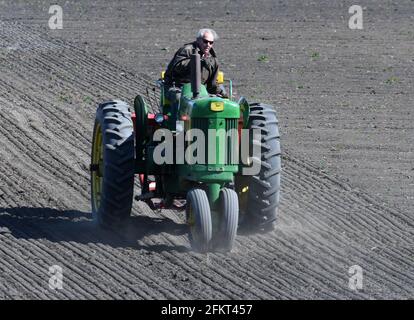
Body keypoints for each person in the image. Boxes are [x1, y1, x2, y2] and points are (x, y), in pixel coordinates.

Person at [163, 28, 226, 106]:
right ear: (198, 40)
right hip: (178, 87)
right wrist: (196, 61)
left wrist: (223, 96)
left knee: (217, 102)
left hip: (201, 90)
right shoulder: (187, 50)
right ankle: (176, 118)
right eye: (205, 41)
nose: (208, 45)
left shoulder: (212, 59)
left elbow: (212, 84)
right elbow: (177, 67)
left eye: (211, 42)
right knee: (180, 99)